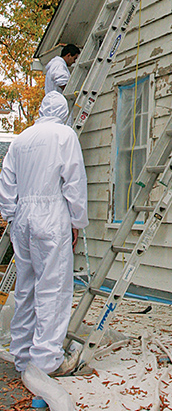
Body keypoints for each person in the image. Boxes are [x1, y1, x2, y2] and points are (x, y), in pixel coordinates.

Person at [0, 92, 88, 377]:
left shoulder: (22, 139)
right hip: (51, 214)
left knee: (26, 287)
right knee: (53, 287)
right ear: (62, 112)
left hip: (23, 215)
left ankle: (22, 353)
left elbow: (7, 180)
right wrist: (77, 220)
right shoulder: (64, 135)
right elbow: (74, 181)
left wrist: (12, 216)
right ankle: (47, 360)